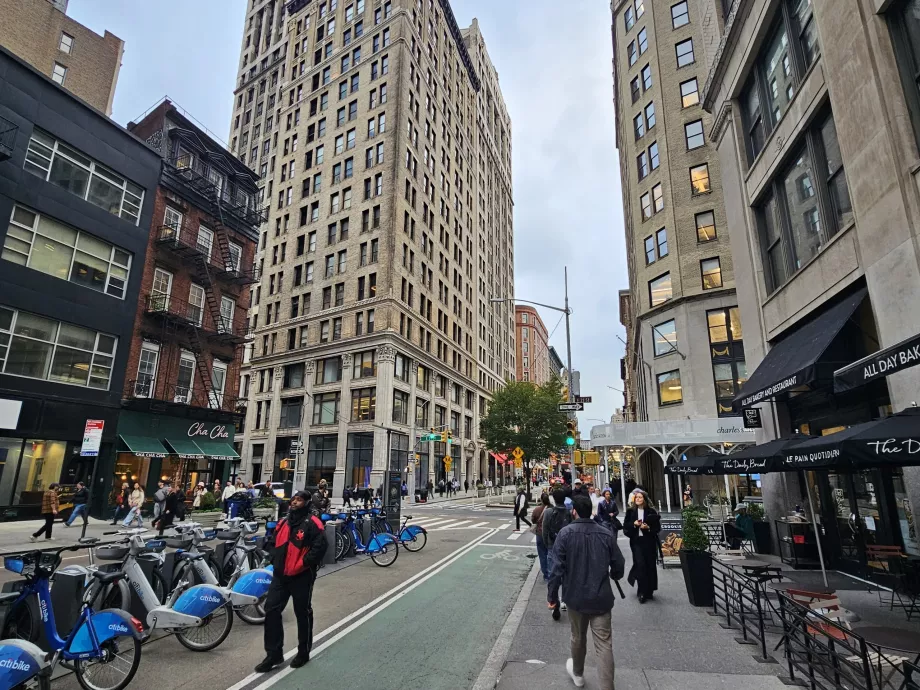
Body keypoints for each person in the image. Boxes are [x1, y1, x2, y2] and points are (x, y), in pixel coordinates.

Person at [547, 494, 625, 690]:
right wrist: (614, 574)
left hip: (575, 597)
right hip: (601, 597)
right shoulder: (605, 534)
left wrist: (552, 597)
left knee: (577, 637)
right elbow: (619, 565)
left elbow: (555, 569)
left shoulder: (565, 534)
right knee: (604, 644)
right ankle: (607, 687)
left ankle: (579, 674)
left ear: (573, 511)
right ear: (591, 510)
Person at [255, 490, 327, 673]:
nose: (295, 502)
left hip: (302, 575)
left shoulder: (313, 522)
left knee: (302, 612)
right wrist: (274, 558)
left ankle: (303, 652)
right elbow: (271, 542)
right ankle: (273, 654)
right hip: (280, 575)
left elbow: (321, 546)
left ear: (307, 502)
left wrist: (304, 563)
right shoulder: (283, 522)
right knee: (271, 610)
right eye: (293, 499)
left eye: (299, 500)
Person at [623, 489, 661, 603]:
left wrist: (648, 528)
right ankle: (641, 592)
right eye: (636, 497)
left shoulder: (651, 512)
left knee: (650, 565)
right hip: (636, 542)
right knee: (640, 565)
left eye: (640, 497)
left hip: (649, 542)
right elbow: (626, 528)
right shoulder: (630, 512)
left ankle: (649, 590)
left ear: (644, 499)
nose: (638, 499)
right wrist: (634, 525)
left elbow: (657, 529)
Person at [543, 488, 573, 616]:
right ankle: (565, 599)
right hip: (566, 548)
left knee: (553, 576)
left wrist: (548, 545)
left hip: (552, 547)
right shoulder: (569, 513)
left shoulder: (549, 512)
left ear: (553, 499)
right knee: (566, 575)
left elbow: (544, 532)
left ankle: (554, 602)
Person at [531, 493, 551, 581]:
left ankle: (546, 574)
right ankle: (551, 572)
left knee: (542, 554)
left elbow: (533, 520)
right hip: (550, 534)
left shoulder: (537, 509)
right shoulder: (552, 509)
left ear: (541, 500)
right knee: (551, 553)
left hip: (540, 534)